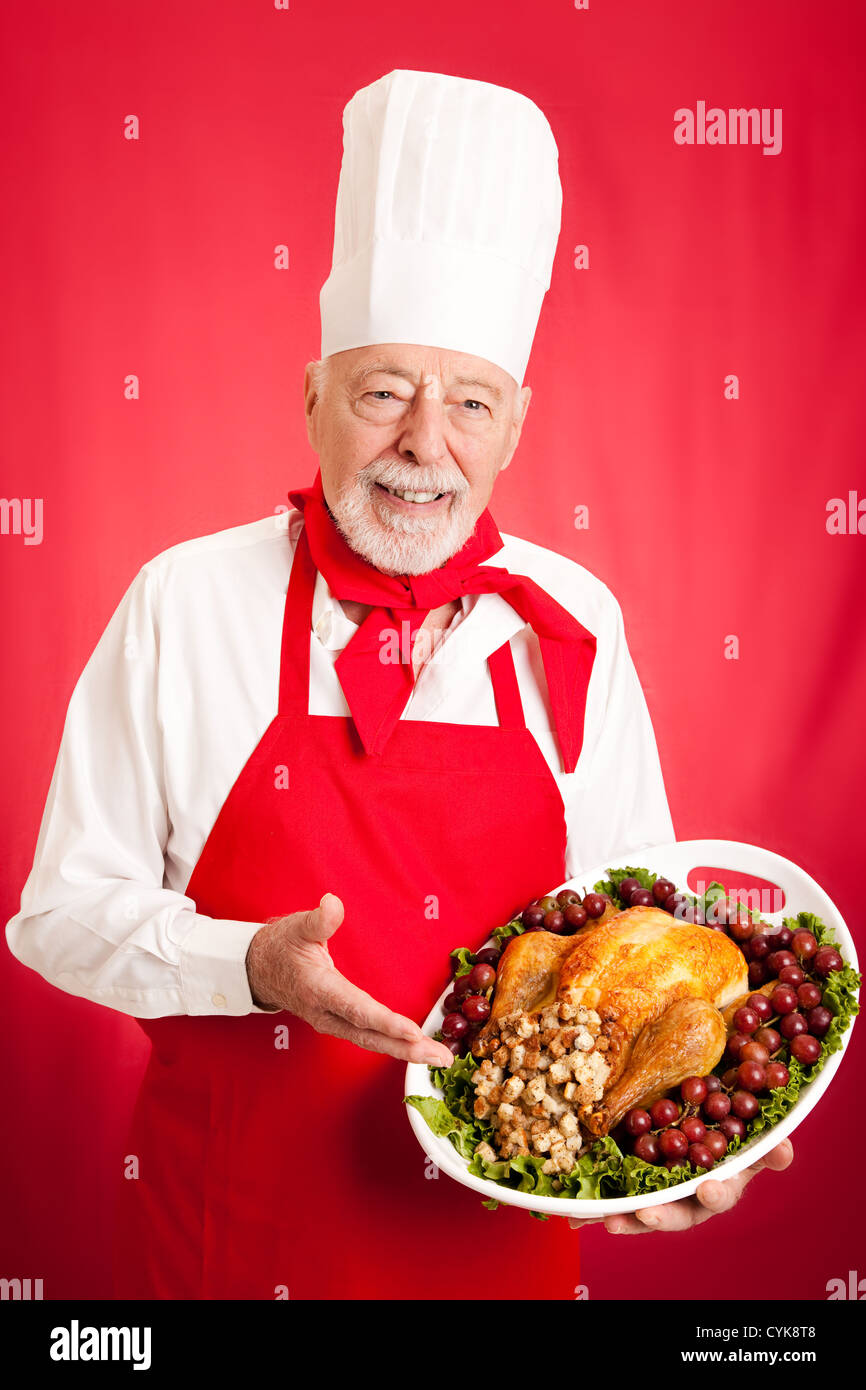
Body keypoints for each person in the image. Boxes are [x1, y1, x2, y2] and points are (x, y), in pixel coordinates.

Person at [5, 69, 791, 1300]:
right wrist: (245, 967)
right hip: (222, 1253)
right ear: (312, 397)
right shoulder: (182, 601)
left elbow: (656, 944)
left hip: (497, 1271)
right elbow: (56, 916)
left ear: (515, 424)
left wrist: (699, 1131)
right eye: (383, 392)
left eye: (468, 401)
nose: (426, 444)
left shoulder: (575, 622)